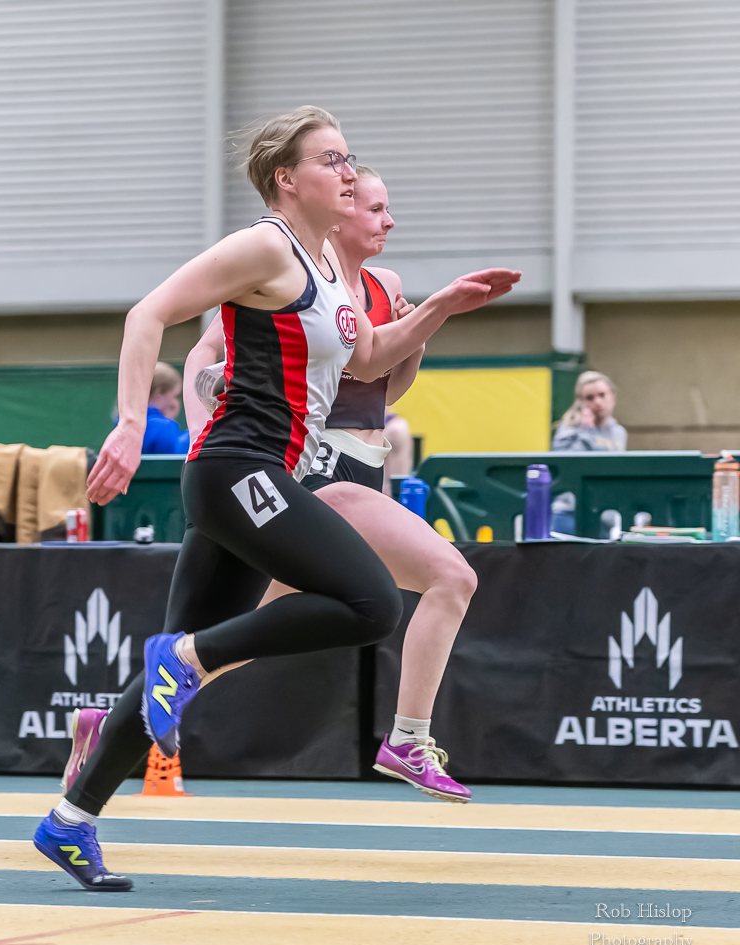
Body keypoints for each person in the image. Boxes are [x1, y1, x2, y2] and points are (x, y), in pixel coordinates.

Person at [34, 105, 520, 891]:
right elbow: (148, 313)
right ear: (286, 178)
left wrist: (440, 308)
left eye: (350, 158)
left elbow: (370, 359)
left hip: (261, 476)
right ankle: (182, 661)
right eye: (333, 160)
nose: (349, 172)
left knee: (172, 681)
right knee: (371, 604)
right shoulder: (266, 246)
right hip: (235, 468)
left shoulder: (328, 269)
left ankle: (69, 819)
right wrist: (129, 424)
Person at [185, 165, 493, 804]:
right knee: (452, 577)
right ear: (341, 210)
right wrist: (202, 437)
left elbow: (385, 388)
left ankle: (114, 720)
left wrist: (418, 335)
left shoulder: (384, 285)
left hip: (366, 463)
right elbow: (202, 357)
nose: (388, 221)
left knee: (237, 637)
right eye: (375, 208)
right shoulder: (293, 273)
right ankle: (408, 738)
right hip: (313, 468)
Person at [552, 371, 627, 452]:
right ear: (581, 402)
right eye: (589, 398)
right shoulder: (569, 428)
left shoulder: (619, 432)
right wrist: (586, 431)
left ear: (612, 397)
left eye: (602, 395)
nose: (597, 402)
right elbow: (565, 458)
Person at [140, 362, 190, 454]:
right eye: (176, 396)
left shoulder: (123, 423)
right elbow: (174, 457)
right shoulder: (165, 426)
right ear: (158, 392)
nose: (176, 403)